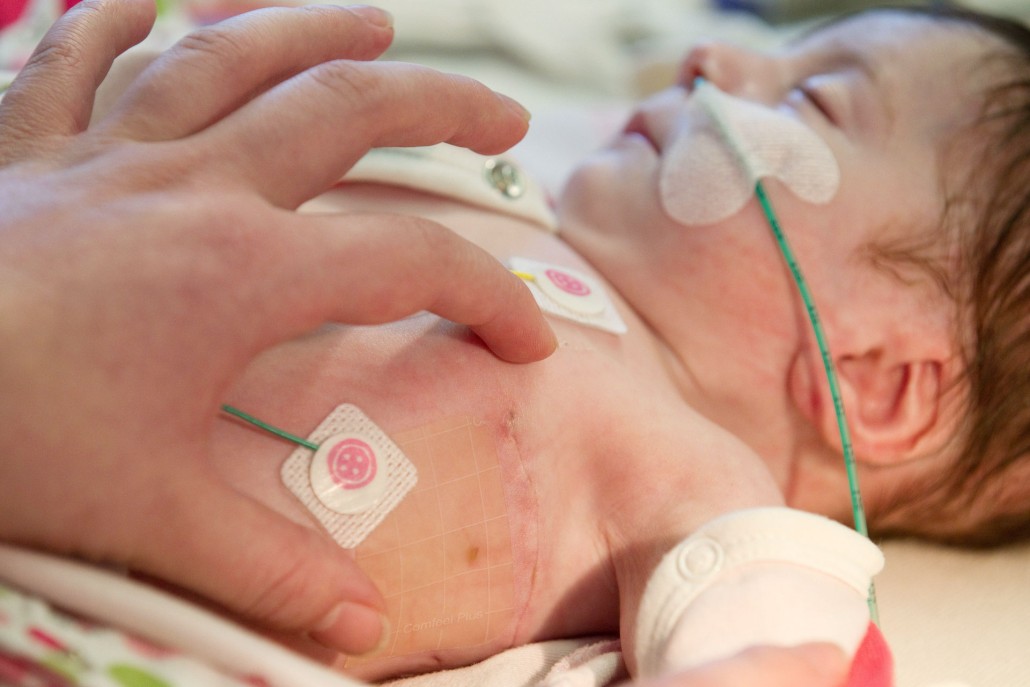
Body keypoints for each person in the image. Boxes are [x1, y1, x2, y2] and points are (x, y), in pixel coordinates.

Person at [0, 1, 1027, 686]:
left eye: (812, 98)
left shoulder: (691, 479)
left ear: (882, 382)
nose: (706, 56)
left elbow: (773, 650)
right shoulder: (500, 184)